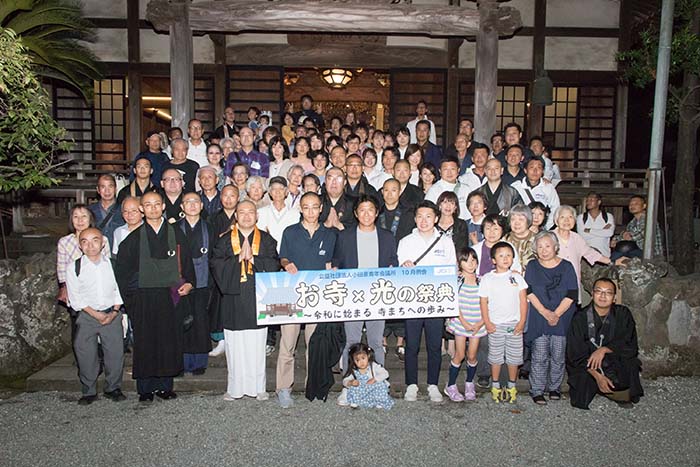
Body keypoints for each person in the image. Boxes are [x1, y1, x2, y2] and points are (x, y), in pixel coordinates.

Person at [115, 191, 195, 402]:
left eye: (157, 204)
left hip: (170, 296)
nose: (153, 208)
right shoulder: (133, 239)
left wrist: (189, 283)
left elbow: (187, 261)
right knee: (145, 342)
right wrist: (133, 298)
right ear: (142, 209)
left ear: (163, 207)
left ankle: (165, 386)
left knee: (168, 341)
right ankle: (145, 388)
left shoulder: (176, 233)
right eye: (148, 205)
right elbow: (123, 272)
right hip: (143, 297)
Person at [332, 195, 398, 406]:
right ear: (355, 213)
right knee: (351, 341)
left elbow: (393, 262)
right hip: (353, 295)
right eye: (362, 210)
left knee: (376, 342)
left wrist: (394, 268)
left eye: (371, 210)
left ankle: (379, 383)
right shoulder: (345, 236)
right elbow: (337, 261)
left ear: (377, 213)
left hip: (377, 296)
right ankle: (348, 385)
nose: (366, 214)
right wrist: (334, 269)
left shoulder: (387, 236)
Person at [210, 200, 279, 401]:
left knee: (257, 345)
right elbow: (215, 264)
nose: (247, 216)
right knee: (235, 346)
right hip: (233, 299)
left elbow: (274, 264)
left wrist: (255, 260)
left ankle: (259, 388)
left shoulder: (266, 239)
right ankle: (235, 388)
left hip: (258, 299)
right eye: (242, 212)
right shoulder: (224, 240)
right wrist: (237, 259)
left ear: (257, 216)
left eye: (251, 212)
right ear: (236, 216)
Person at [276, 192, 337, 408]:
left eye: (314, 207)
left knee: (315, 344)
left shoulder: (330, 235)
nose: (310, 211)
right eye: (306, 207)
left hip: (317, 295)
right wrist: (286, 264)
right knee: (287, 344)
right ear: (300, 209)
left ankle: (313, 386)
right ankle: (283, 388)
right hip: (290, 293)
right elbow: (282, 256)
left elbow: (334, 261)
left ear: (321, 209)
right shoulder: (290, 232)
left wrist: (333, 268)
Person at [398, 200, 457, 403]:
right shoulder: (406, 241)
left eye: (429, 216)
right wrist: (404, 266)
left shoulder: (445, 242)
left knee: (434, 345)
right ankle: (411, 384)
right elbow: (399, 272)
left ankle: (433, 384)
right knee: (412, 345)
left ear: (436, 218)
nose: (424, 221)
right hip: (412, 302)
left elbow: (452, 270)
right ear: (415, 219)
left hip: (435, 303)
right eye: (420, 216)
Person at [65, 228, 125, 405]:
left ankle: (113, 387)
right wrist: (96, 314)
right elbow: (75, 297)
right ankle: (89, 390)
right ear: (80, 245)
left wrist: (114, 311)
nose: (90, 245)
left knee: (115, 353)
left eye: (95, 240)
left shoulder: (112, 265)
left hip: (112, 313)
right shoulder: (74, 267)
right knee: (86, 354)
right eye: (85, 241)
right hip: (87, 315)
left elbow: (119, 290)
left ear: (103, 243)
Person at [566, 278, 643, 409]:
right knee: (581, 389)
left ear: (614, 298)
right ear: (592, 294)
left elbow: (630, 343)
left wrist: (604, 349)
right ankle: (600, 385)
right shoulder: (580, 317)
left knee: (629, 366)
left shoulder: (623, 314)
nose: (603, 296)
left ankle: (615, 389)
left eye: (608, 292)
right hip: (588, 365)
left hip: (613, 360)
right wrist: (597, 375)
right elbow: (574, 352)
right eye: (599, 291)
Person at [524, 232, 578, 405]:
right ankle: (537, 389)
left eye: (547, 246)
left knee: (558, 354)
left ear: (555, 247)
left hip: (562, 317)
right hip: (539, 316)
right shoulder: (532, 266)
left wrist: (556, 314)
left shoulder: (566, 266)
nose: (544, 250)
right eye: (539, 246)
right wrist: (546, 313)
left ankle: (555, 387)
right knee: (539, 355)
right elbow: (529, 291)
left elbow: (572, 293)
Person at [479, 241, 528, 404]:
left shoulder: (517, 277)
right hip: (495, 325)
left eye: (509, 255)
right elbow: (483, 302)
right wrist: (487, 322)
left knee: (514, 357)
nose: (505, 258)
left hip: (514, 324)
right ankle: (496, 385)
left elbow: (523, 301)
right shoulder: (487, 278)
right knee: (495, 357)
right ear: (493, 260)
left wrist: (522, 322)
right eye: (501, 255)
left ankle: (512, 386)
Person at [177, 192, 215, 375]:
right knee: (181, 322)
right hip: (179, 282)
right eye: (188, 202)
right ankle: (182, 362)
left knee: (200, 322)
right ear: (182, 207)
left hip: (203, 281)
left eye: (195, 202)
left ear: (201, 206)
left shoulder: (209, 228)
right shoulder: (174, 229)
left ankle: (199, 362)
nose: (192, 205)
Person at [444, 248, 485, 402]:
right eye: (466, 260)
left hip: (478, 323)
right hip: (461, 323)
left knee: (472, 356)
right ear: (459, 263)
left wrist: (481, 322)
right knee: (459, 354)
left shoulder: (482, 281)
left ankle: (469, 383)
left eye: (473, 260)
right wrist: (464, 322)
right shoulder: (457, 281)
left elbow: (488, 303)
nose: (471, 264)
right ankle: (451, 385)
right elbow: (453, 303)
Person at [553, 205, 611, 302]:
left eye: (570, 217)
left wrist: (611, 261)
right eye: (562, 217)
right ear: (556, 221)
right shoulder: (549, 237)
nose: (567, 220)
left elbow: (590, 253)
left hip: (572, 284)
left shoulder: (577, 238)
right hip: (553, 283)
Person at [207, 185, 240, 358]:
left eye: (232, 195)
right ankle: (221, 339)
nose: (228, 199)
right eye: (225, 195)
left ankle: (236, 338)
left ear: (238, 197)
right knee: (218, 303)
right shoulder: (212, 218)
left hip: (239, 266)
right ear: (220, 198)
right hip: (219, 266)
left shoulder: (243, 215)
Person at [56, 205, 111, 306]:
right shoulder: (64, 242)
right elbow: (62, 269)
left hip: (98, 287)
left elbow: (108, 266)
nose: (80, 220)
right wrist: (64, 287)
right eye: (76, 217)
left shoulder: (103, 240)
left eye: (84, 216)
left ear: (90, 219)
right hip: (74, 288)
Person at [511, 156, 560, 229]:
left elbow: (555, 208)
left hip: (540, 228)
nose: (535, 171)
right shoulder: (516, 186)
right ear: (525, 170)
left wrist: (546, 227)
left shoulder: (548, 187)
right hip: (520, 227)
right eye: (531, 167)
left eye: (539, 168)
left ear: (543, 171)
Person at [342, 343, 394, 410]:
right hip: (361, 391)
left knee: (381, 385)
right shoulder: (354, 370)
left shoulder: (373, 366)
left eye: (363, 358)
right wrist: (350, 382)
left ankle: (379, 402)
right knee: (353, 388)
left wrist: (375, 379)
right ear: (353, 360)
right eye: (357, 360)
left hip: (373, 389)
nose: (361, 362)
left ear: (368, 356)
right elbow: (345, 380)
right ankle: (357, 402)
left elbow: (385, 374)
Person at [611, 195, 664, 260]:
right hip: (637, 251)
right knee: (623, 248)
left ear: (644, 206)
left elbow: (640, 234)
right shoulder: (632, 222)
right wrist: (616, 239)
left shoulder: (648, 219)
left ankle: (610, 262)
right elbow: (626, 235)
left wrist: (624, 236)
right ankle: (611, 262)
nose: (632, 206)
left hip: (651, 254)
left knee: (624, 247)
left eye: (636, 204)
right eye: (631, 204)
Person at [88, 174, 125, 249]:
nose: (107, 191)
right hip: (96, 251)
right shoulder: (89, 211)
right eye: (103, 187)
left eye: (110, 186)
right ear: (98, 190)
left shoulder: (124, 210)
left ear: (115, 189)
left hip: (119, 251)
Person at [576, 192, 615, 257]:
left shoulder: (608, 216)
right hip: (585, 255)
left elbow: (610, 233)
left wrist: (590, 230)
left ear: (599, 202)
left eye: (591, 200)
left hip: (604, 255)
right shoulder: (581, 217)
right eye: (587, 200)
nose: (588, 202)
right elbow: (582, 236)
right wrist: (602, 232)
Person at [319, 167, 356, 231]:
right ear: (325, 182)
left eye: (338, 178)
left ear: (344, 182)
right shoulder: (316, 202)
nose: (334, 182)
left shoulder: (355, 203)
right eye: (330, 178)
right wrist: (325, 225)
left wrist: (340, 226)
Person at [504, 204, 536, 273]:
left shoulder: (537, 240)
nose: (516, 223)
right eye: (513, 219)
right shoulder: (505, 239)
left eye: (521, 219)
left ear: (528, 221)